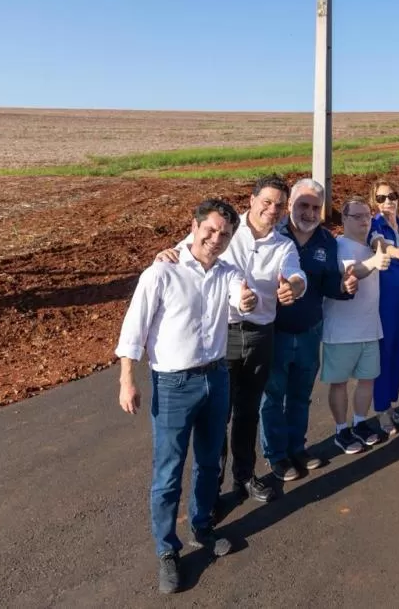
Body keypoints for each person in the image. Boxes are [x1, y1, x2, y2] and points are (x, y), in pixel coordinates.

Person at [116, 199, 256, 594]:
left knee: (210, 462)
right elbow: (134, 329)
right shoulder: (163, 271)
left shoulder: (228, 270)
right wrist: (127, 379)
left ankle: (202, 527)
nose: (216, 239)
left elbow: (239, 297)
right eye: (209, 230)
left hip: (216, 378)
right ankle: (166, 550)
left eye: (225, 234)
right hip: (174, 384)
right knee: (169, 471)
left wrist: (247, 300)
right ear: (193, 227)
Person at [154, 175, 307, 506]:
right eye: (266, 202)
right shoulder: (226, 229)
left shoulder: (284, 245)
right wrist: (166, 254)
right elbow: (188, 248)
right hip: (222, 334)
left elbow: (297, 274)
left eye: (279, 205)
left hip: (260, 335)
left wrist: (294, 286)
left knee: (248, 410)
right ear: (251, 201)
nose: (272, 209)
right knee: (218, 413)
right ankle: (212, 487)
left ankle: (245, 475)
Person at [260, 178, 358, 481]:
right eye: (303, 205)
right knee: (273, 397)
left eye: (316, 207)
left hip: (308, 331)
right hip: (274, 332)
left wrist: (345, 287)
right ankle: (277, 456)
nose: (309, 212)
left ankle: (297, 447)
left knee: (300, 395)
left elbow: (328, 284)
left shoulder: (327, 242)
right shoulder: (273, 235)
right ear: (290, 206)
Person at [322, 196, 392, 452]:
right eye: (357, 216)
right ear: (344, 219)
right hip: (341, 331)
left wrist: (378, 245)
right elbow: (351, 272)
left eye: (367, 215)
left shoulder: (373, 245)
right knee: (339, 382)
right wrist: (375, 261)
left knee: (367, 380)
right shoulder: (339, 246)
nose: (364, 220)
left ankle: (360, 422)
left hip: (370, 328)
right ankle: (341, 430)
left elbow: (382, 246)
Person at [367, 180, 399, 436]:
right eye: (382, 197)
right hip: (384, 299)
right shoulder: (375, 225)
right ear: (374, 200)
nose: (388, 202)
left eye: (392, 196)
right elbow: (378, 244)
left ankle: (390, 403)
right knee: (384, 354)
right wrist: (395, 252)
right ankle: (381, 408)